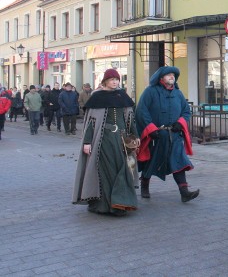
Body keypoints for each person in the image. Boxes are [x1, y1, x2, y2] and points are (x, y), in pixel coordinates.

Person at [72, 69, 139, 216]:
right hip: (104, 140)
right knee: (106, 171)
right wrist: (87, 142)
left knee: (124, 168)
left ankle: (121, 203)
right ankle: (105, 205)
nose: (115, 82)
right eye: (112, 79)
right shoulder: (97, 97)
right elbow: (90, 122)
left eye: (117, 79)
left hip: (122, 139)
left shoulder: (123, 96)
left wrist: (135, 136)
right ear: (105, 81)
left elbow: (130, 119)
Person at [136, 66, 199, 202]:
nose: (172, 77)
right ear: (161, 78)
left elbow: (186, 111)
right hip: (157, 136)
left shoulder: (178, 93)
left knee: (179, 160)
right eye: (169, 75)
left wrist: (180, 123)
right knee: (152, 161)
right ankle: (145, 185)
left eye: (173, 75)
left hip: (174, 135)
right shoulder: (150, 92)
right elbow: (142, 111)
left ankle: (184, 192)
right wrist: (151, 129)